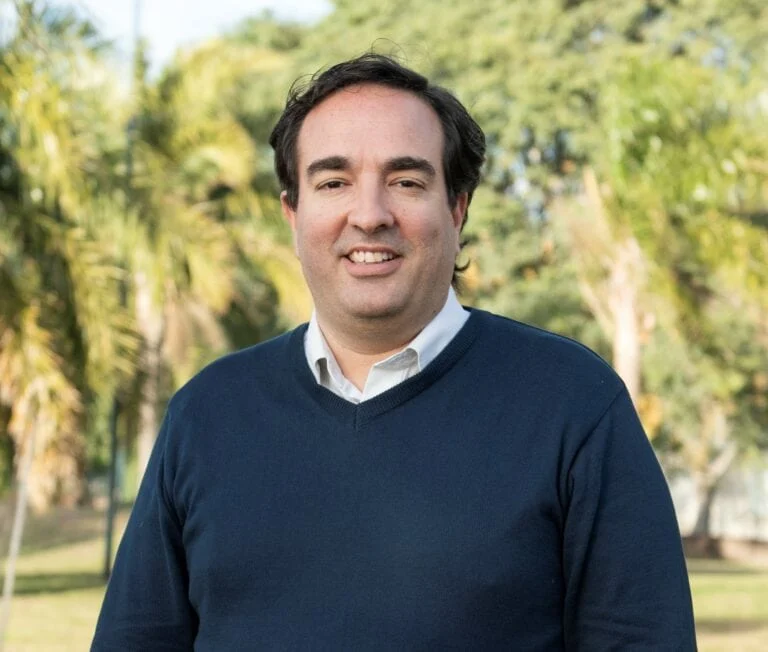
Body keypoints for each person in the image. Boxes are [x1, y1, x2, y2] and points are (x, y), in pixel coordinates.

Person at [92, 53, 696, 650]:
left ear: (457, 208)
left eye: (406, 182)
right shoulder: (206, 414)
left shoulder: (575, 404)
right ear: (292, 214)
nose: (370, 215)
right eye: (333, 183)